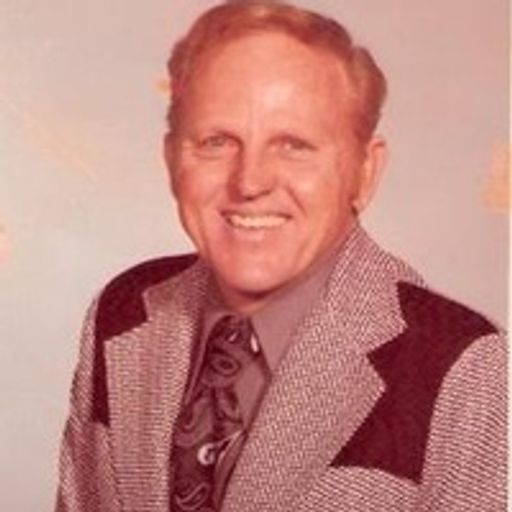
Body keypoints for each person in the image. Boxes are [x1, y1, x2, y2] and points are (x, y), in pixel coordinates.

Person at [55, 2, 506, 511]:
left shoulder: (465, 370)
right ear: (171, 158)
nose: (250, 182)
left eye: (293, 145)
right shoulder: (123, 313)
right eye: (216, 141)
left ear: (365, 172)